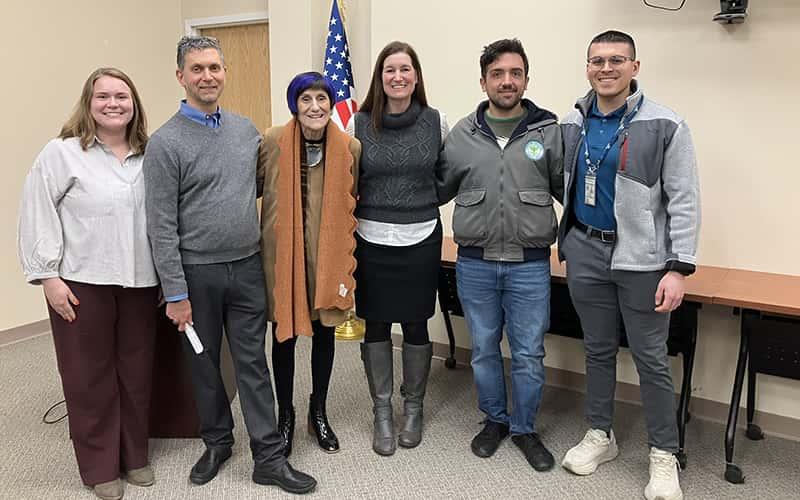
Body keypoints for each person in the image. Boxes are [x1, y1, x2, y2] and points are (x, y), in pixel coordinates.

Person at [143, 36, 316, 494]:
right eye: (197, 69)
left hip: (246, 269)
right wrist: (175, 294)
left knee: (251, 364)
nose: (207, 76)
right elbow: (160, 226)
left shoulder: (245, 131)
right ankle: (217, 442)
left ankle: (268, 457)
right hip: (196, 276)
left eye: (214, 68)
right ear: (181, 76)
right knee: (203, 364)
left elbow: (260, 187)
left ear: (224, 73)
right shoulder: (164, 143)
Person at [558, 30, 699, 500]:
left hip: (644, 262)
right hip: (585, 251)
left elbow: (684, 199)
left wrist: (679, 268)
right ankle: (602, 435)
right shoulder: (572, 122)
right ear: (587, 68)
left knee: (651, 360)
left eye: (617, 60)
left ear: (634, 67)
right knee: (597, 349)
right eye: (597, 60)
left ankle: (663, 454)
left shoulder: (666, 124)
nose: (606, 68)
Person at [17, 67, 159, 500]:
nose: (113, 103)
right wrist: (48, 277)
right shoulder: (61, 153)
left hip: (140, 282)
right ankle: (100, 466)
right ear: (89, 103)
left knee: (135, 373)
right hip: (80, 282)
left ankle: (134, 455)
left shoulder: (150, 153)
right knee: (88, 376)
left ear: (134, 104)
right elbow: (37, 212)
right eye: (103, 96)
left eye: (122, 96)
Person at [437, 38, 563, 472]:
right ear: (483, 81)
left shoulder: (548, 131)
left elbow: (572, 193)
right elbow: (435, 188)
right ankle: (494, 420)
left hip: (529, 265)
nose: (507, 81)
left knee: (528, 351)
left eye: (515, 73)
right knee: (485, 349)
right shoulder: (462, 135)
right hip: (475, 262)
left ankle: (525, 428)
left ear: (526, 79)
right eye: (498, 74)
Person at [347, 41, 447, 456]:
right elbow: (348, 179)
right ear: (380, 77)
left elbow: (447, 174)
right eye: (390, 70)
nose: (398, 76)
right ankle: (382, 412)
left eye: (405, 69)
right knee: (375, 323)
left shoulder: (436, 122)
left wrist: (419, 200)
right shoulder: (358, 124)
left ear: (416, 75)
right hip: (370, 238)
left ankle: (413, 409)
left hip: (420, 236)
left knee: (416, 322)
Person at [258, 71, 360, 457]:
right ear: (294, 105)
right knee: (283, 336)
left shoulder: (350, 148)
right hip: (281, 258)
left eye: (321, 98)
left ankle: (318, 411)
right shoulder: (271, 141)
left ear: (331, 103)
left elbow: (355, 201)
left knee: (325, 334)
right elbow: (254, 186)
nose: (315, 107)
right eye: (306, 99)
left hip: (328, 259)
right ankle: (285, 414)